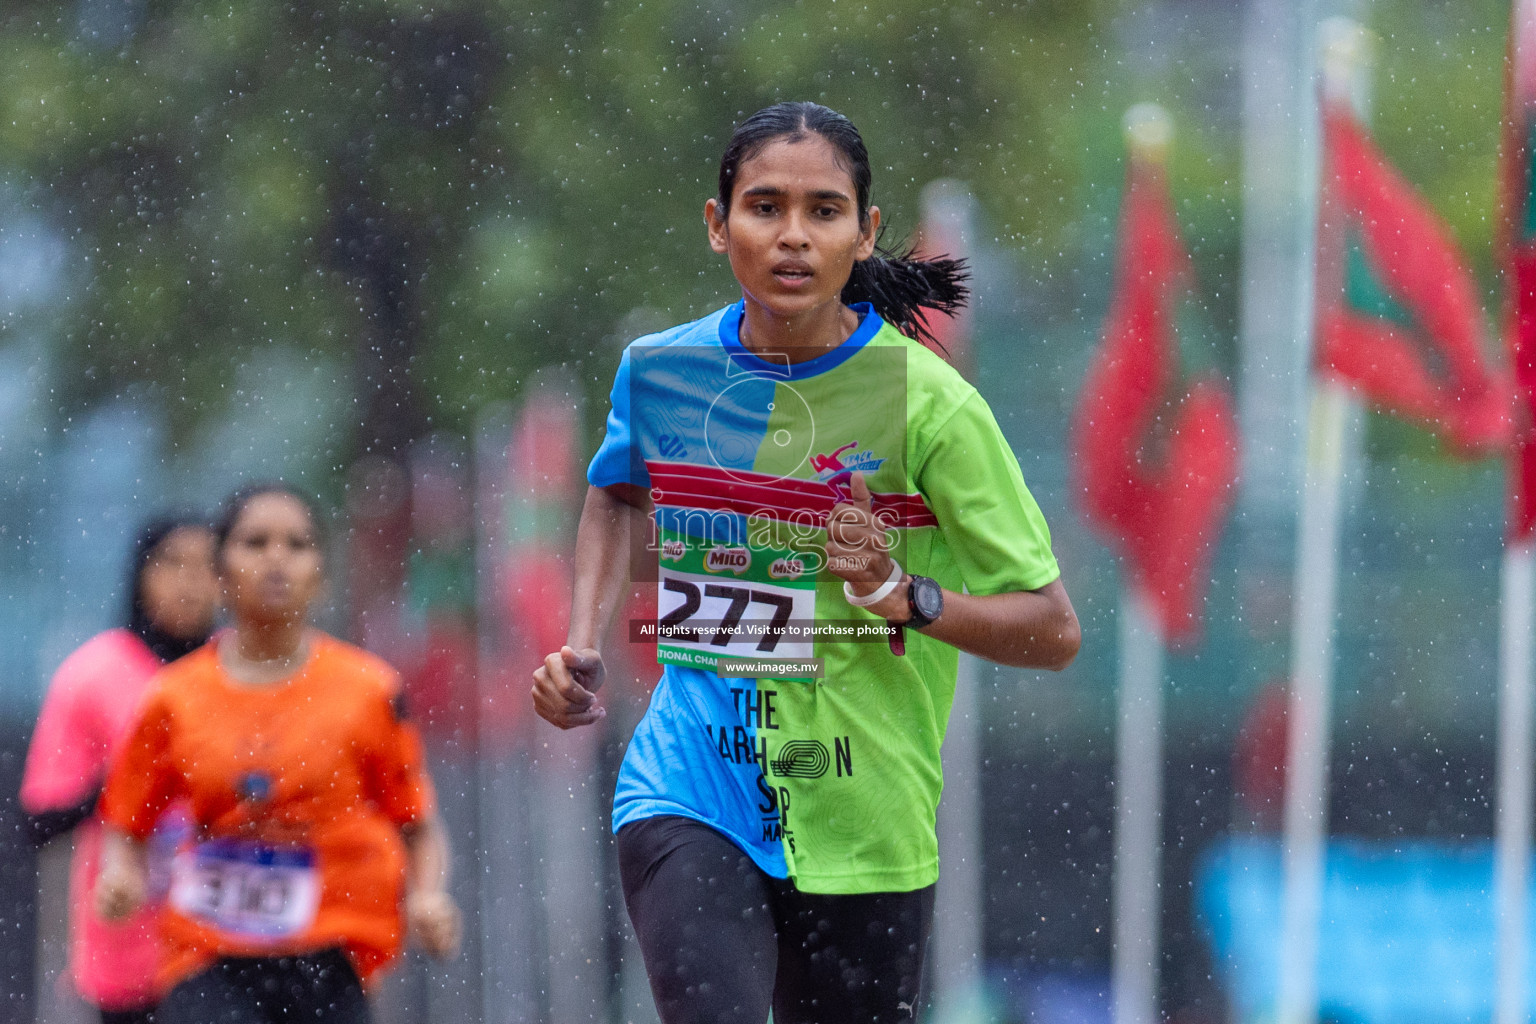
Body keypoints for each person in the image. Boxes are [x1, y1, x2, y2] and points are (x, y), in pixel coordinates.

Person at [531, 101, 1081, 1024]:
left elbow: (1052, 628)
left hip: (866, 820)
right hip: (690, 783)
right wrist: (578, 641)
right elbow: (616, 493)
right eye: (764, 207)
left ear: (865, 234)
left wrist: (908, 597)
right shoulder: (661, 371)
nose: (792, 237)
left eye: (824, 211)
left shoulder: (930, 404)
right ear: (718, 226)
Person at [94, 483, 460, 1024]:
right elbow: (127, 819)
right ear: (218, 575)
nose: (276, 560)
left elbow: (416, 822)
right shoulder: (173, 698)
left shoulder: (368, 690)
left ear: (323, 573)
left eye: (297, 544)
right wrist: (121, 875)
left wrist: (429, 895)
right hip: (208, 957)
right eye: (255, 542)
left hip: (330, 958)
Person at [21, 514, 219, 1024]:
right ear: (139, 573)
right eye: (173, 563)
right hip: (128, 945)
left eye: (207, 566)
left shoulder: (239, 671)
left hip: (225, 946)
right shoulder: (95, 674)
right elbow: (42, 817)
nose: (190, 582)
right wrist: (132, 780)